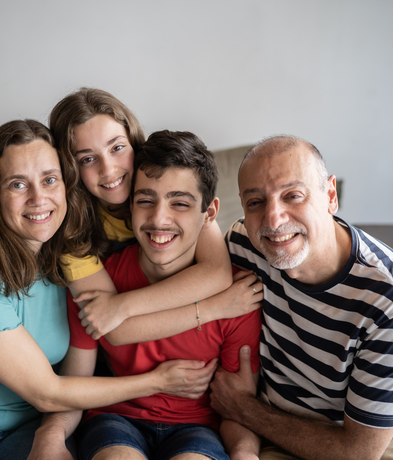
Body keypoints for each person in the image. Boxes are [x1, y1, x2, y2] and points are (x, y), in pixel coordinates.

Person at [0, 120, 218, 460]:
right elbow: (47, 392)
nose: (39, 198)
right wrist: (157, 381)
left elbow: (201, 232)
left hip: (28, 425)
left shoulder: (67, 262)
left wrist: (51, 432)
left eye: (50, 180)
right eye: (18, 184)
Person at [31, 130, 263, 460]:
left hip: (198, 429)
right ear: (129, 205)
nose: (158, 219)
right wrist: (51, 436)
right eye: (145, 200)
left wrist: (244, 453)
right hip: (116, 420)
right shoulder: (99, 282)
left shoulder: (239, 297)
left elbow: (238, 408)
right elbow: (74, 384)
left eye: (180, 203)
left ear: (209, 212)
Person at [209, 135, 393, 460]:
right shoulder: (244, 244)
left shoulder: (385, 300)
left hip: (332, 443)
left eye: (293, 196)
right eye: (255, 202)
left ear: (330, 196)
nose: (273, 219)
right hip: (251, 429)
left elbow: (358, 452)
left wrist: (243, 409)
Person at [49, 87, 260, 340]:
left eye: (116, 148)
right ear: (70, 168)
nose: (108, 169)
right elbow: (112, 330)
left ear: (133, 142)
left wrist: (122, 305)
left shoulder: (170, 183)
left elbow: (216, 273)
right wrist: (214, 308)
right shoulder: (74, 232)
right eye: (87, 159)